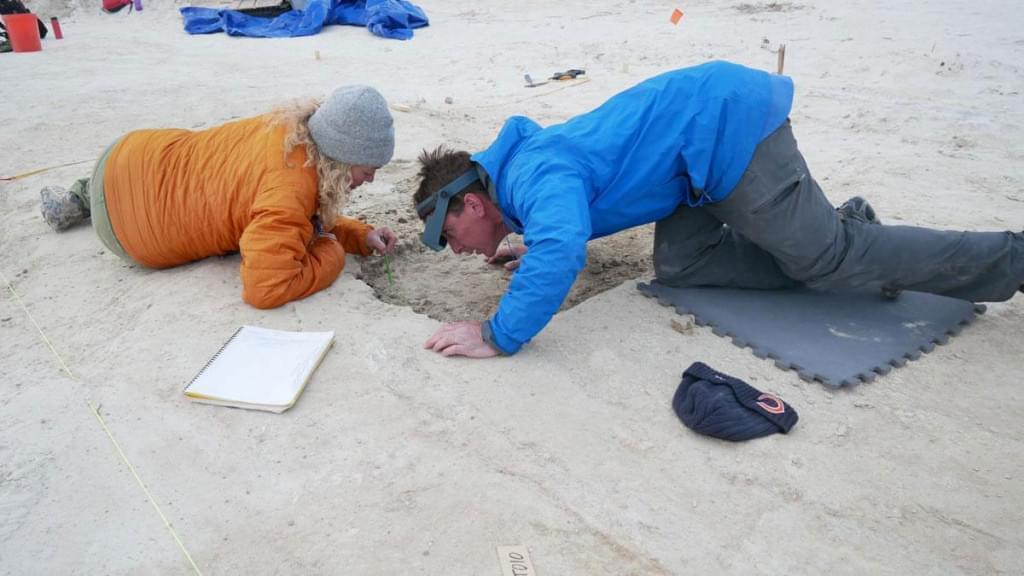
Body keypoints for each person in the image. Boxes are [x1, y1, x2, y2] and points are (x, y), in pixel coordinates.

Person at [411, 60, 1024, 358]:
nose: (454, 247)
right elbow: (556, 219)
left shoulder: (535, 173)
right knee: (683, 263)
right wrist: (526, 238)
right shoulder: (519, 186)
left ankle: (1009, 258)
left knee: (827, 260)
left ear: (471, 200)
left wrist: (498, 333)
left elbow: (565, 245)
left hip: (726, 134)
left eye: (450, 233)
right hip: (689, 168)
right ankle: (840, 228)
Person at [40, 85, 398, 309]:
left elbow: (298, 210)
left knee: (205, 168)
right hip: (130, 235)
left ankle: (82, 194)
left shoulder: (291, 127)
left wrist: (358, 236)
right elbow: (266, 289)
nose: (371, 178)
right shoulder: (290, 188)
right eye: (367, 168)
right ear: (340, 156)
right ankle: (93, 202)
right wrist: (332, 247)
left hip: (126, 153)